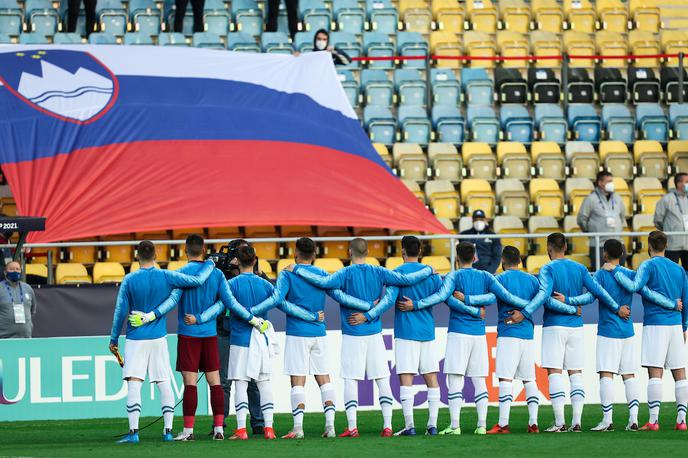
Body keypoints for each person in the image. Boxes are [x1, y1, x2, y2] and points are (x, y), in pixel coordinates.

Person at [286, 237, 434, 437]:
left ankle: (352, 427)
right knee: (382, 378)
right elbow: (403, 283)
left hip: (352, 331)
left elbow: (324, 283)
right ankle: (388, 426)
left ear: (349, 252)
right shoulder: (379, 271)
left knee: (351, 379)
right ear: (367, 253)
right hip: (374, 332)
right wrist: (427, 269)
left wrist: (296, 269)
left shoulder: (345, 273)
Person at [398, 242, 533, 435]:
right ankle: (481, 425)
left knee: (455, 379)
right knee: (479, 380)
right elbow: (495, 297)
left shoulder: (453, 276)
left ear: (456, 256)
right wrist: (476, 308)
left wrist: (418, 304)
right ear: (475, 257)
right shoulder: (486, 276)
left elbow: (443, 297)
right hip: (478, 334)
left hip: (458, 332)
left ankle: (455, 426)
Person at [250, 237, 368, 439]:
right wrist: (367, 306)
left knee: (298, 380)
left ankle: (298, 428)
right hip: (319, 333)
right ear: (314, 254)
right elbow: (339, 296)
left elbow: (279, 300)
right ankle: (330, 426)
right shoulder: (322, 274)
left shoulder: (287, 273)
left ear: (295, 252)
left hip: (298, 333)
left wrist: (251, 311)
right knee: (324, 378)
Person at [190, 245, 308, 440]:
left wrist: (199, 318)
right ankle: (269, 428)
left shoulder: (232, 284)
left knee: (240, 384)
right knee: (263, 382)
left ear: (236, 261)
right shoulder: (265, 284)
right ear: (255, 261)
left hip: (239, 339)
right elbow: (283, 303)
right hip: (261, 338)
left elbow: (221, 305)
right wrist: (310, 316)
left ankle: (241, 429)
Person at [509, 232, 622, 433]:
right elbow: (596, 293)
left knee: (554, 372)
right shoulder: (580, 268)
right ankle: (576, 422)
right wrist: (574, 304)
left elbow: (544, 296)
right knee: (575, 373)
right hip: (576, 327)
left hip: (554, 325)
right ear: (566, 248)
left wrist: (525, 312)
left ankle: (560, 422)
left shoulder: (548, 268)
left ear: (549, 248)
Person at [565, 239, 678, 432]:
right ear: (623, 254)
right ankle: (633, 420)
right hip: (628, 331)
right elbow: (647, 291)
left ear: (605, 254)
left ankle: (607, 420)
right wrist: (672, 303)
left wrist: (570, 302)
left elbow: (591, 296)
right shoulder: (630, 275)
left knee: (606, 374)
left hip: (608, 330)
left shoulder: (600, 274)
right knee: (629, 376)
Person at [108, 241, 215, 444]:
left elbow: (120, 312)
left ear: (136, 255)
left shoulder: (129, 279)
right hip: (158, 338)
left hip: (135, 338)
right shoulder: (166, 275)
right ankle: (167, 431)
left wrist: (113, 339)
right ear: (156, 254)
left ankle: (133, 432)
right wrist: (210, 264)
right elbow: (197, 280)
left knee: (134, 382)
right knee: (163, 381)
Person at [167, 235, 266, 442]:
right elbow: (226, 302)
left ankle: (188, 431)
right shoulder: (218, 274)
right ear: (204, 249)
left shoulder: (180, 273)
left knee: (192, 383)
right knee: (217, 383)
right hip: (212, 332)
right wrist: (253, 318)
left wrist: (151, 316)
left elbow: (172, 300)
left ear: (185, 251)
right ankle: (220, 428)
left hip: (190, 333)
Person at [602, 230, 688, 431]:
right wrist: (684, 326)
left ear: (649, 246)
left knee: (655, 373)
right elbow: (686, 300)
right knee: (680, 373)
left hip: (656, 324)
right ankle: (682, 420)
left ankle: (653, 421)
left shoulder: (647, 265)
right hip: (675, 325)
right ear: (666, 246)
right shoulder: (679, 269)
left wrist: (614, 270)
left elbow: (633, 286)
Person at [485, 246, 574, 434]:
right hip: (527, 334)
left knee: (505, 378)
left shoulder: (498, 279)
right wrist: (572, 309)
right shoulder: (532, 280)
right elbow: (546, 301)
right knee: (529, 379)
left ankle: (503, 424)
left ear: (502, 261)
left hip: (508, 331)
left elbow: (488, 298)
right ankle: (533, 423)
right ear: (520, 261)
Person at [361, 235, 443, 436]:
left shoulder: (396, 273)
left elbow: (388, 301)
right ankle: (432, 425)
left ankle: (410, 426)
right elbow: (440, 296)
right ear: (420, 251)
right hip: (427, 331)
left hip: (406, 331)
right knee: (431, 376)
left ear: (402, 251)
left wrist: (369, 314)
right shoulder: (432, 274)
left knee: (406, 377)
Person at [216, 239, 266, 436]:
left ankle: (258, 422)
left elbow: (268, 288)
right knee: (224, 381)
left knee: (252, 380)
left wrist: (256, 271)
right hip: (225, 329)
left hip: (246, 331)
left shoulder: (255, 277)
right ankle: (221, 423)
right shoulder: (222, 275)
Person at [577, 171, 626, 268]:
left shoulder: (617, 198)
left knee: (620, 275)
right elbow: (581, 219)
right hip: (599, 244)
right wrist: (591, 230)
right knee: (601, 276)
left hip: (617, 242)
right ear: (600, 183)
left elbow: (622, 216)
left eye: (612, 181)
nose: (611, 184)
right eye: (609, 181)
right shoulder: (591, 199)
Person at [654, 173, 688, 270]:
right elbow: (658, 220)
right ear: (678, 183)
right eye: (687, 182)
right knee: (670, 273)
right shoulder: (666, 199)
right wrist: (668, 230)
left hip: (687, 244)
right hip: (672, 245)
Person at [0, 261, 36, 339]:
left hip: (25, 337)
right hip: (4, 338)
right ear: (5, 272)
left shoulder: (28, 288)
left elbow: (32, 310)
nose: (15, 271)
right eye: (11, 269)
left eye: (17, 269)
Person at [459, 210, 501, 274]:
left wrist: (489, 272)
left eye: (481, 219)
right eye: (476, 219)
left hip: (487, 272)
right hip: (469, 271)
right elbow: (459, 255)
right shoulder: (464, 235)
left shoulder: (493, 236)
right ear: (472, 221)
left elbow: (497, 256)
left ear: (485, 220)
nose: (478, 222)